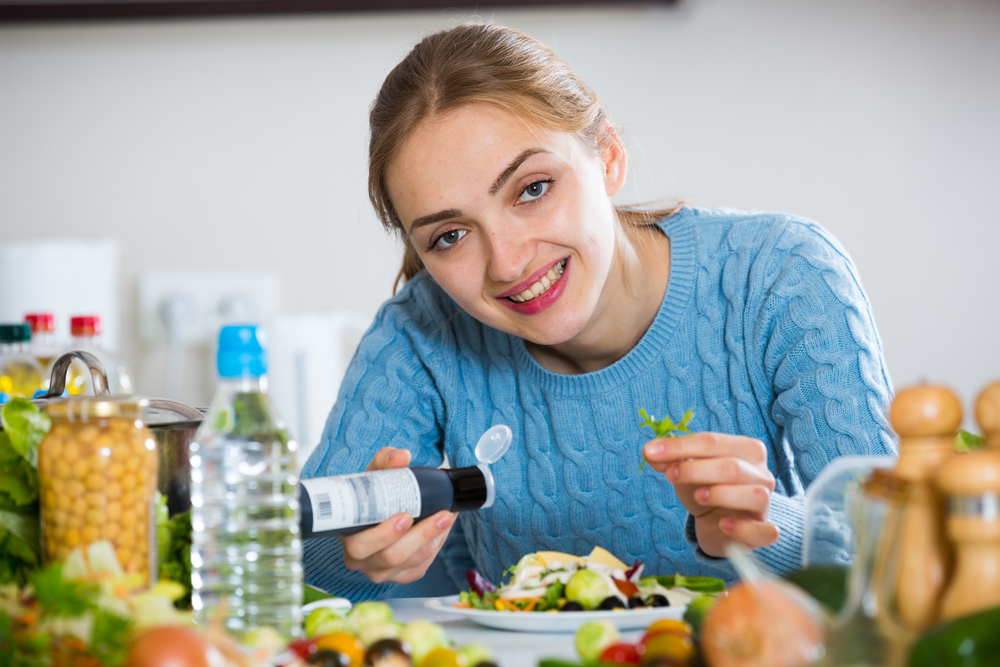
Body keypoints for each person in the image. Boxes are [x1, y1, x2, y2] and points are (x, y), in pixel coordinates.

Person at [301, 21, 896, 602]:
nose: (507, 264)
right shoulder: (419, 332)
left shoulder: (778, 274)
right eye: (450, 236)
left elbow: (898, 555)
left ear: (608, 157)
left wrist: (768, 531)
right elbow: (301, 558)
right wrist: (368, 557)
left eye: (532, 189)